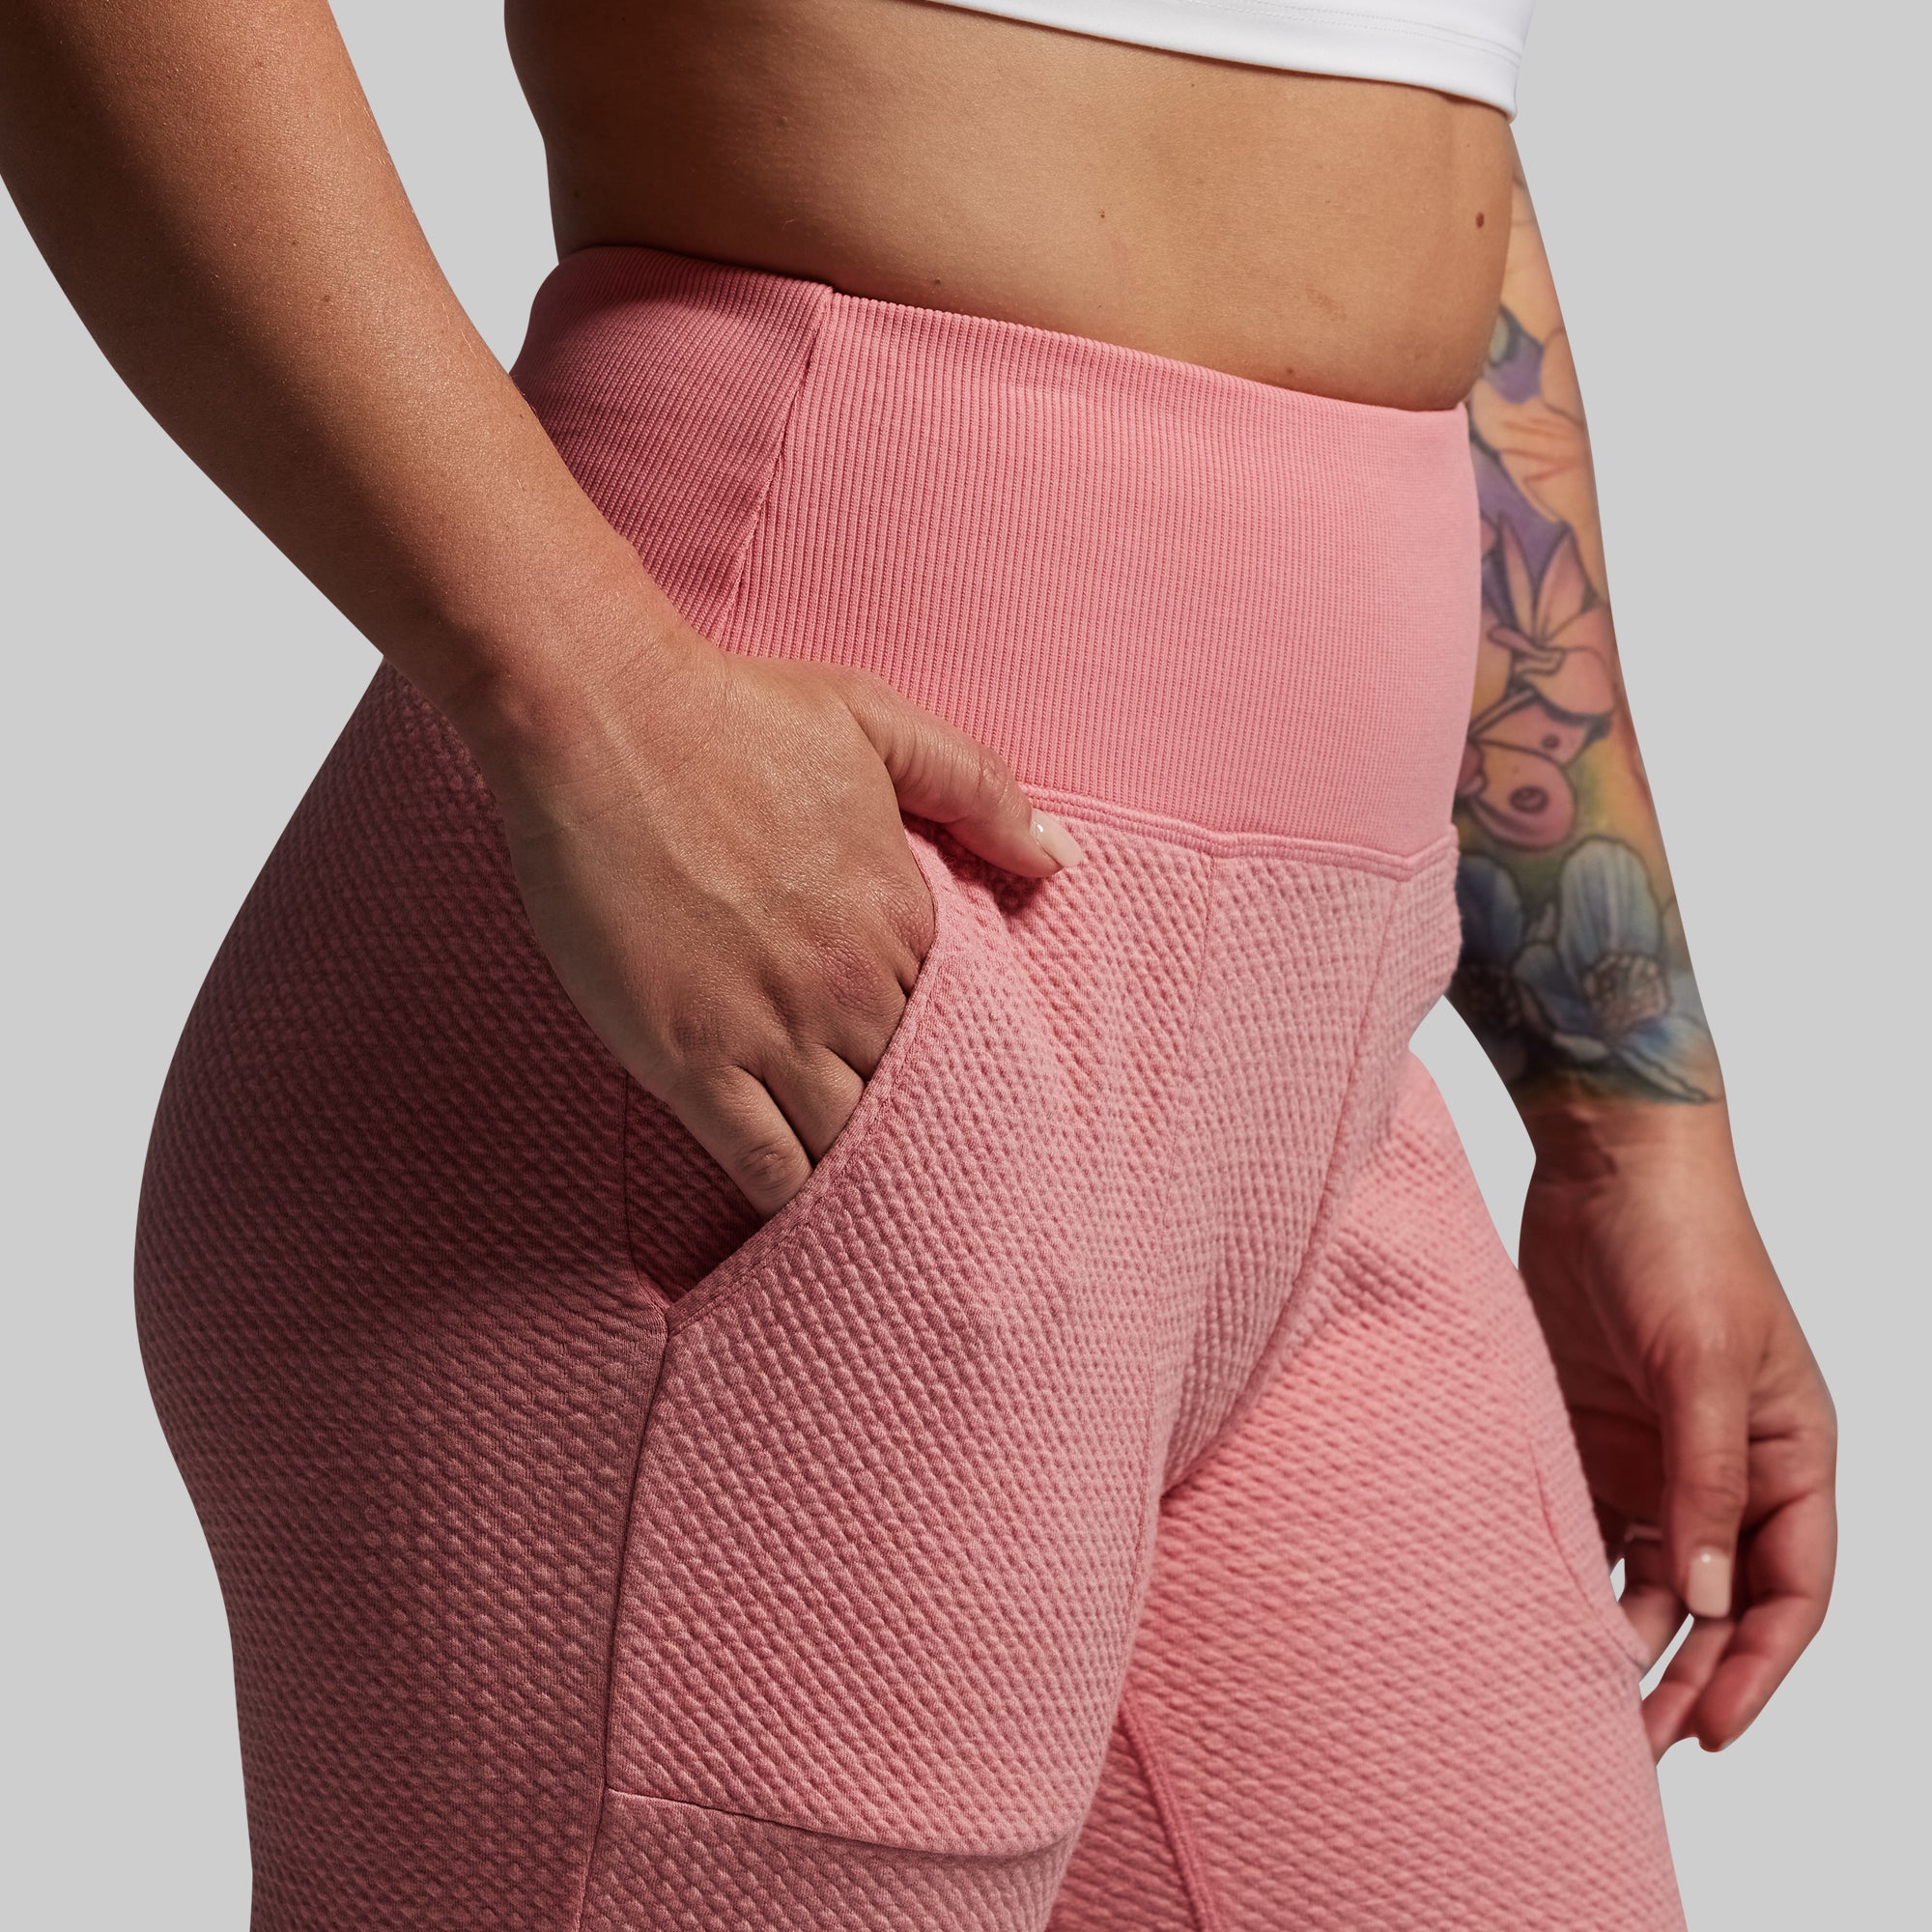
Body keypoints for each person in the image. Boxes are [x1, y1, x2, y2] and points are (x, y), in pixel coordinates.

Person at [0, 2, 1836, 1926]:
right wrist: (587, 697)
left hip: (1318, 1065)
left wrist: (1629, 1112)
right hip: (765, 1014)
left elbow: (1391, 102)